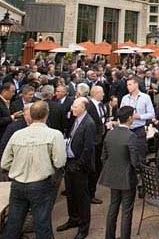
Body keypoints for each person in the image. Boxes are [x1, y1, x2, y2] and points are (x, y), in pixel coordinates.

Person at [1, 100, 66, 239]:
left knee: (13, 224)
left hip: (18, 183)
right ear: (46, 115)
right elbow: (60, 162)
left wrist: (19, 168)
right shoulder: (55, 135)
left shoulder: (17, 134)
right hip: (40, 184)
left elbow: (5, 162)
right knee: (42, 225)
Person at [99, 106, 142, 239]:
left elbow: (103, 157)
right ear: (129, 118)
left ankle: (109, 236)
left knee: (113, 207)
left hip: (113, 176)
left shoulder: (110, 134)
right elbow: (135, 161)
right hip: (127, 177)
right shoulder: (131, 136)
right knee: (126, 211)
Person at [57, 97, 97, 239]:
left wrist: (79, 165)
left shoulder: (89, 123)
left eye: (75, 106)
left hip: (79, 166)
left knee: (82, 198)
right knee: (71, 195)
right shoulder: (76, 119)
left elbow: (88, 149)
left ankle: (83, 228)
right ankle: (73, 219)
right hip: (70, 162)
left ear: (83, 108)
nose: (72, 108)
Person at [120, 76, 155, 163]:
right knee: (126, 156)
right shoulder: (125, 98)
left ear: (136, 84)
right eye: (127, 85)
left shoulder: (145, 97)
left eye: (130, 84)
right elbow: (120, 113)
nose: (128, 86)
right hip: (126, 130)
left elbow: (151, 114)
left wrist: (140, 116)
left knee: (140, 155)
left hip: (139, 130)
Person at [85, 85, 108, 204]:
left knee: (98, 166)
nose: (104, 95)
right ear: (97, 93)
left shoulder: (102, 106)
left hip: (101, 140)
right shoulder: (89, 107)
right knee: (93, 168)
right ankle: (89, 194)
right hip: (94, 142)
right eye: (102, 93)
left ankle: (91, 192)